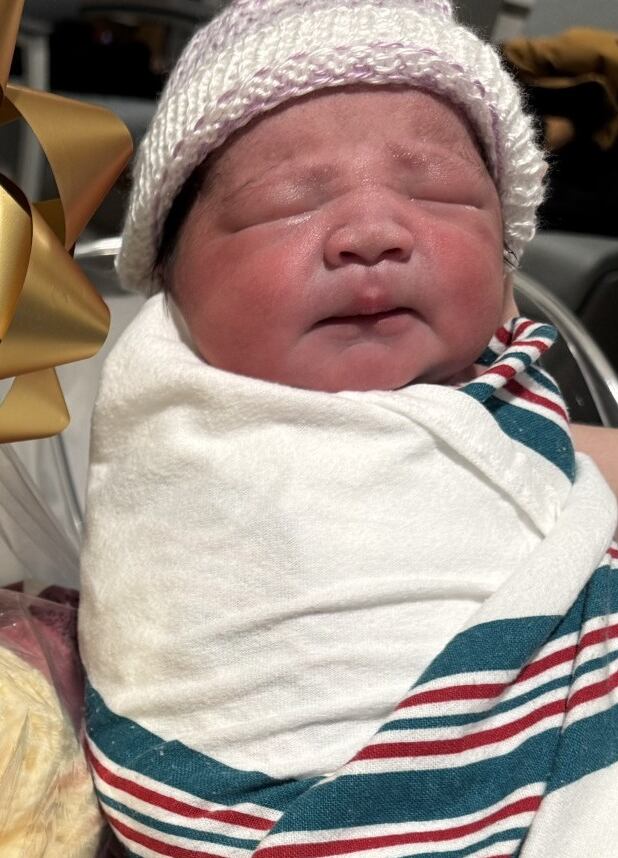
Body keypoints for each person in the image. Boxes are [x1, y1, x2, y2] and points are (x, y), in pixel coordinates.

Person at [79, 1, 618, 856]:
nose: (374, 233)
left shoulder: (501, 370)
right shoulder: (191, 444)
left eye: (439, 192)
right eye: (285, 203)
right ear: (171, 283)